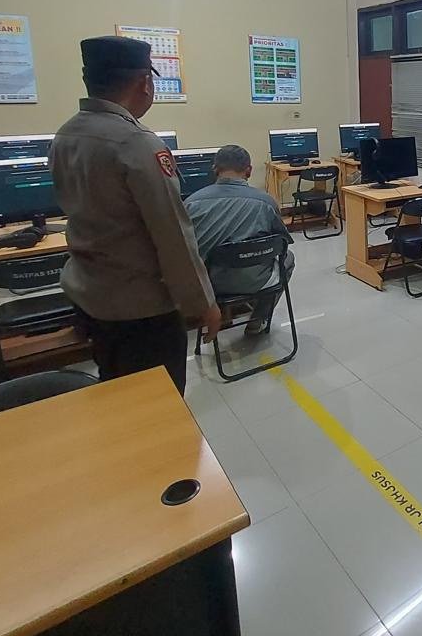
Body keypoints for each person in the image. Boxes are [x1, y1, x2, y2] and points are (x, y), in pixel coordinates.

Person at [49, 36, 219, 396]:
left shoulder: (64, 135)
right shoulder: (136, 143)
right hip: (141, 309)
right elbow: (173, 235)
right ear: (145, 82)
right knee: (159, 407)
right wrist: (203, 303)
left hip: (90, 296)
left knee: (117, 394)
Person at [184, 145, 295, 336]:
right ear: (249, 171)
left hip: (208, 285)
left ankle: (219, 314)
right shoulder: (266, 202)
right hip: (255, 280)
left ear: (215, 170)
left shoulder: (191, 203)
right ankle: (258, 320)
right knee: (289, 258)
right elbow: (282, 242)